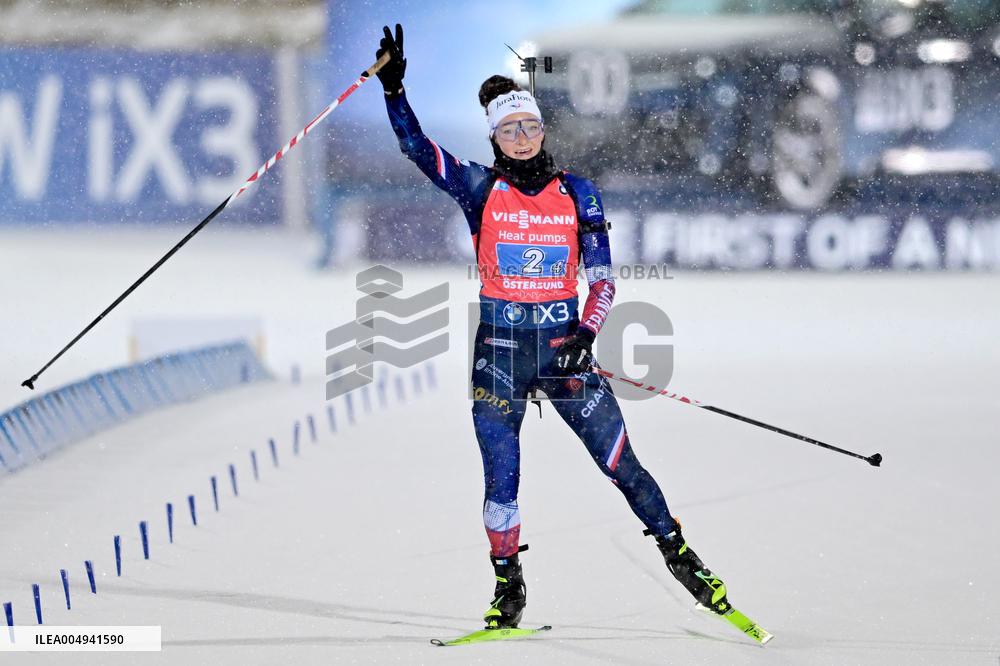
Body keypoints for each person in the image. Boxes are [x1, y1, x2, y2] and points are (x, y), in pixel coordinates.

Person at [372, 24, 732, 630]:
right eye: (508, 128)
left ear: (542, 129)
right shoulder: (477, 187)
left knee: (622, 465)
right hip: (501, 353)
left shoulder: (579, 193)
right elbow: (417, 148)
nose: (520, 137)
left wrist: (585, 338)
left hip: (566, 352)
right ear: (494, 135)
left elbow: (605, 281)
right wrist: (394, 93)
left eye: (529, 126)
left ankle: (681, 556)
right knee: (501, 479)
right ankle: (507, 587)